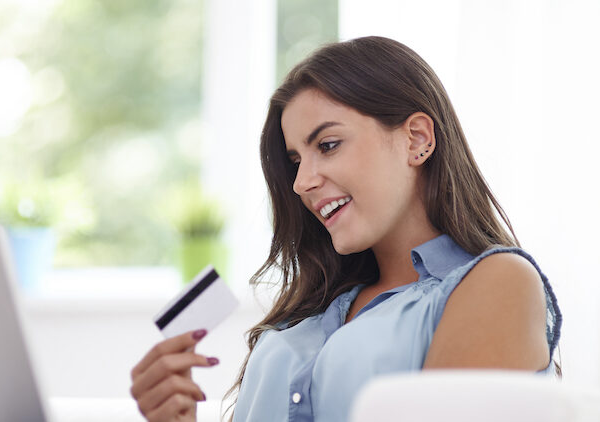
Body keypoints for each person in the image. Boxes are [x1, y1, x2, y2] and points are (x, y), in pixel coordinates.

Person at [129, 36, 563, 422]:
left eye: (328, 145)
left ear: (416, 139)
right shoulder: (313, 309)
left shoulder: (497, 283)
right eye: (296, 160)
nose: (301, 183)